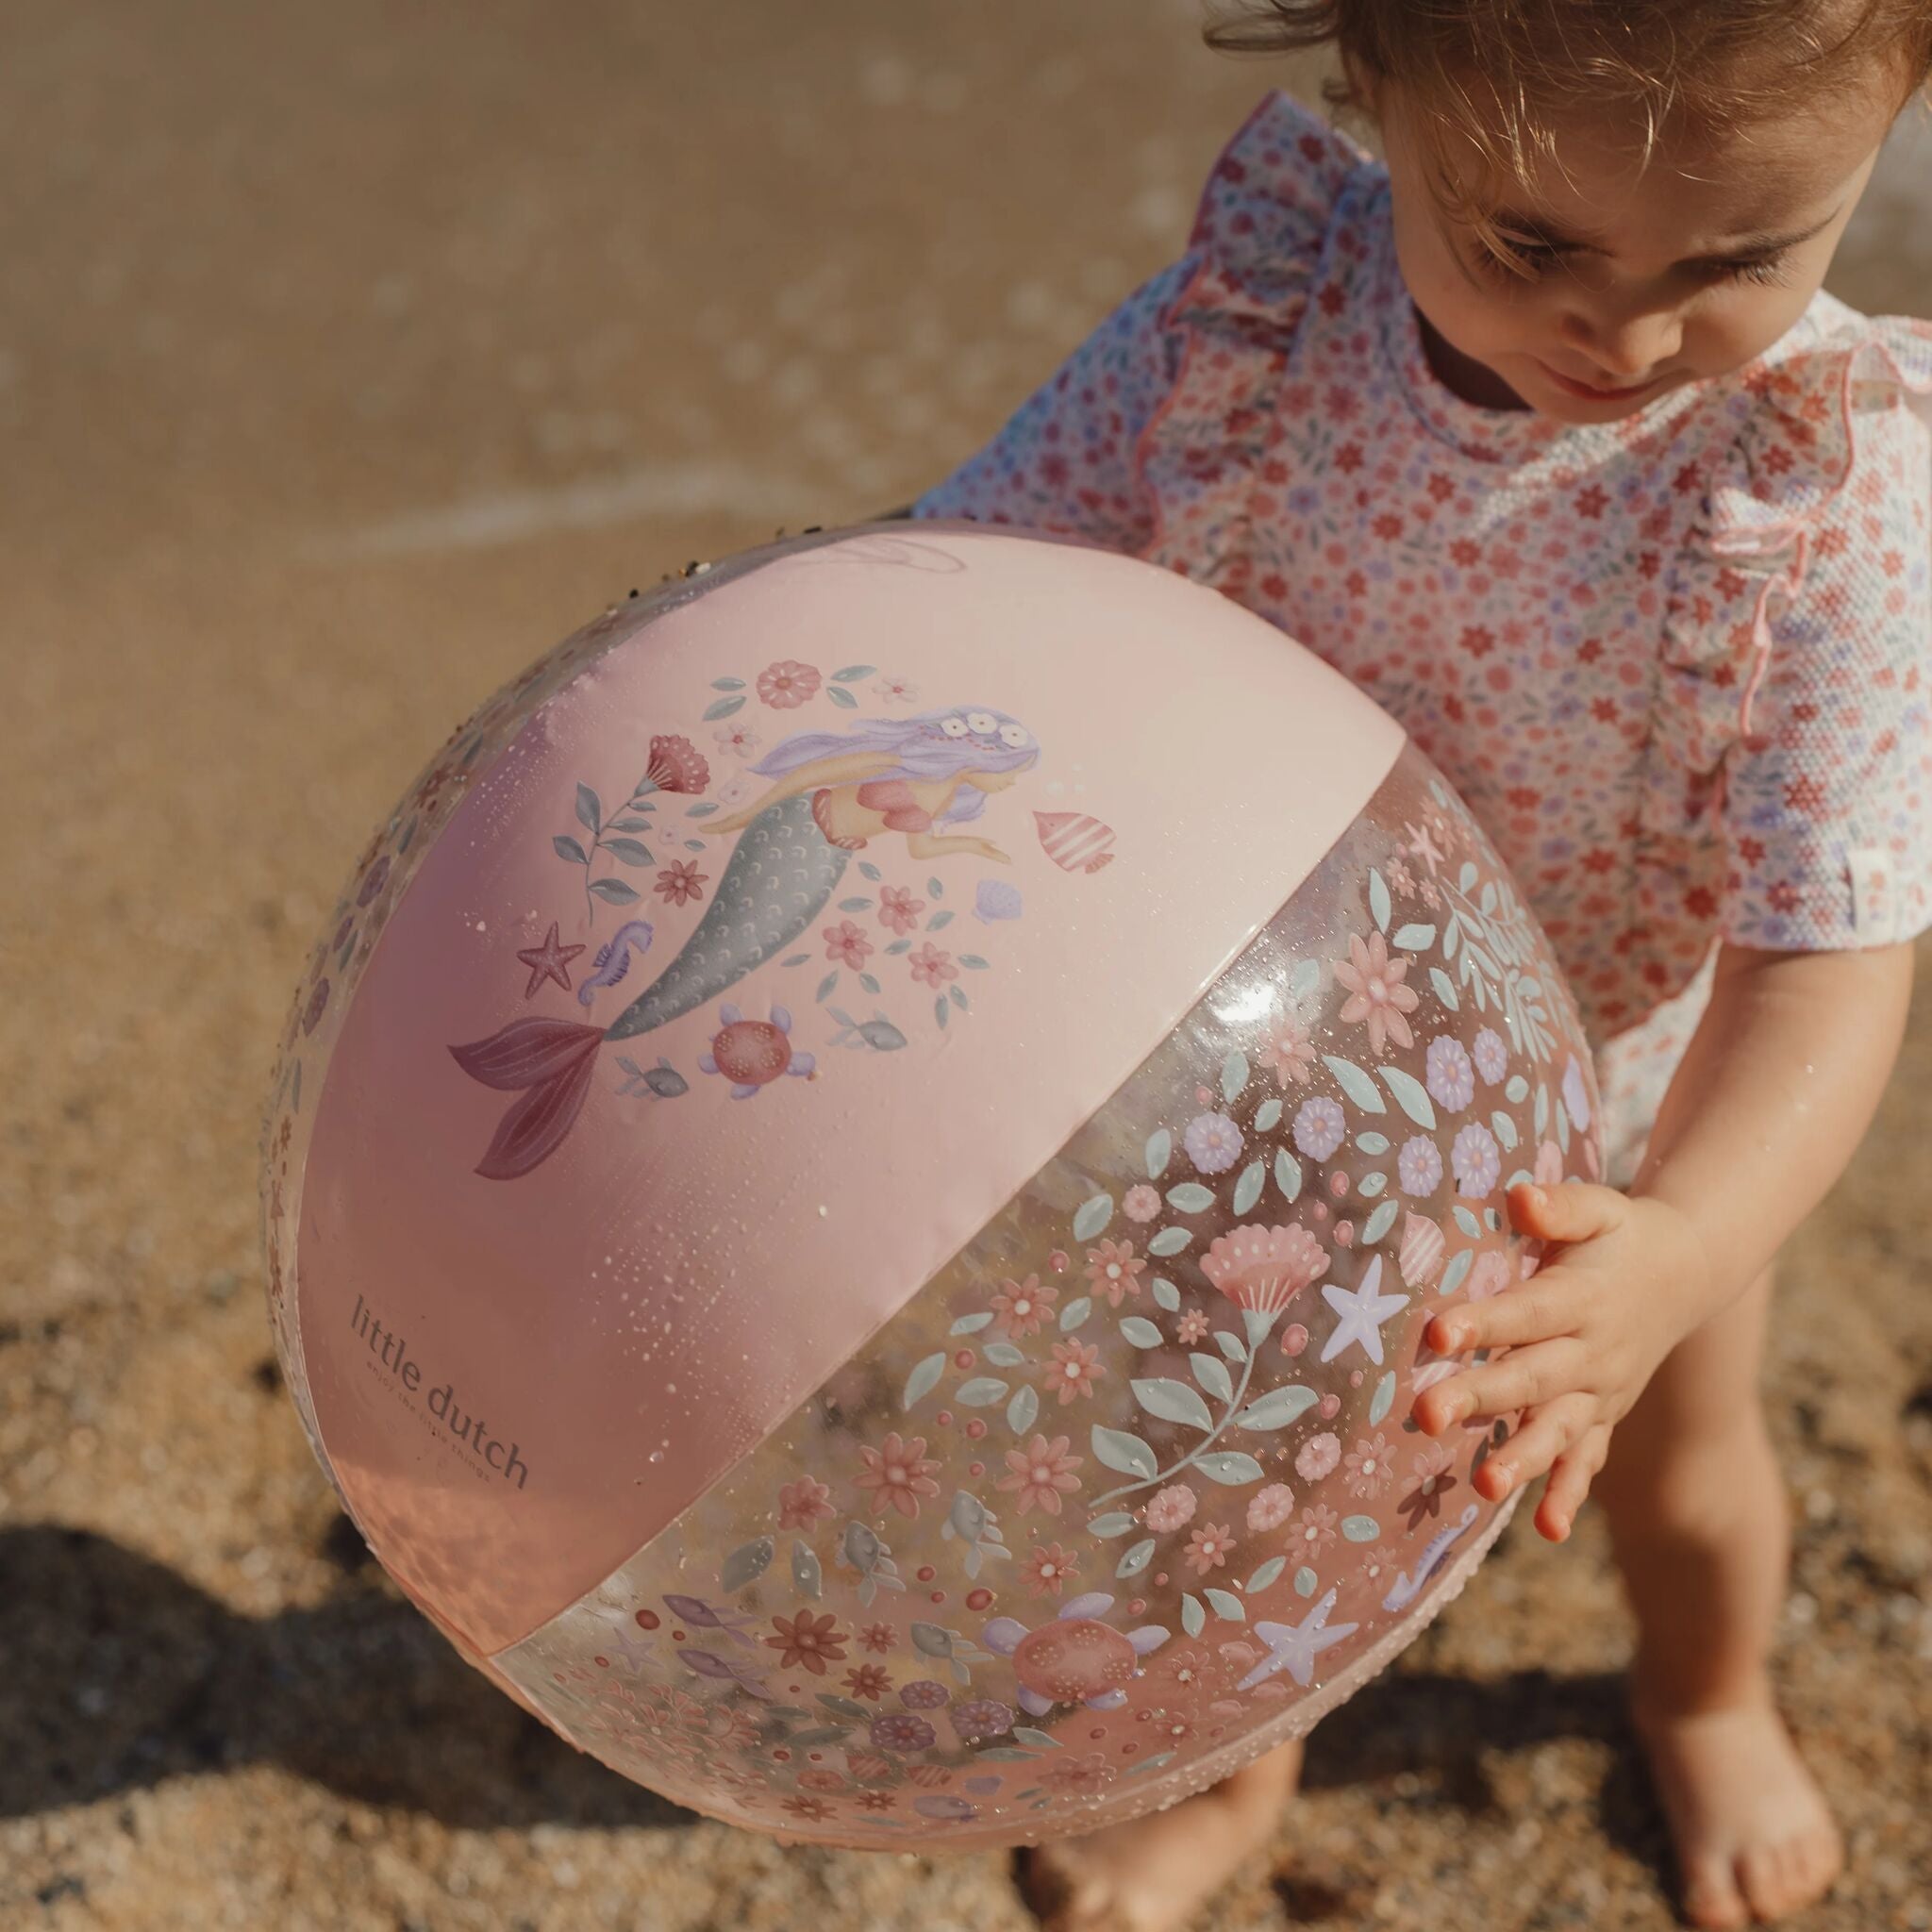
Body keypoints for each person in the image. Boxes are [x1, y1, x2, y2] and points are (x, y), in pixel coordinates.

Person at [898, 3, 1932, 1926]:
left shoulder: (1831, 487)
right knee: (1227, 1483)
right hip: (1252, 1082)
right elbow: (968, 584)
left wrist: (1685, 1246)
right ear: (1381, 74)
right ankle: (1242, 1758)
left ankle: (1704, 1694)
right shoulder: (1254, 334)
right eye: (1529, 244)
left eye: (1736, 260)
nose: (1622, 341)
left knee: (1685, 1466)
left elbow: (1827, 967)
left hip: (1623, 1143)